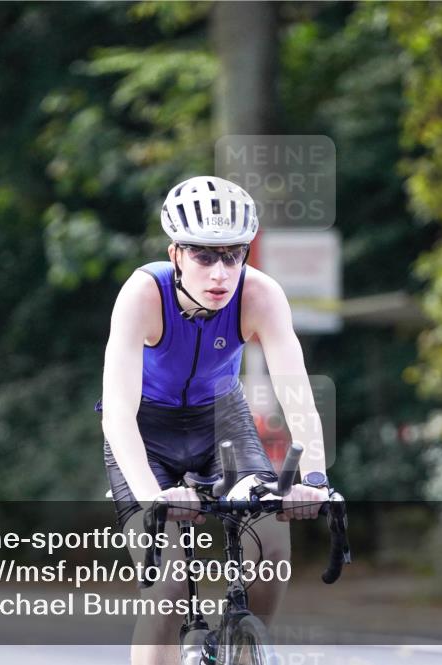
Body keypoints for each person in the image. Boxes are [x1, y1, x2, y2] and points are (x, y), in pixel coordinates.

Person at [99, 176, 331, 665]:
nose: (220, 274)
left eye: (233, 255)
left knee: (272, 552)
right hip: (147, 431)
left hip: (220, 422)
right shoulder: (143, 294)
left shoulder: (261, 295)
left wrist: (312, 477)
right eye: (204, 256)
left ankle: (241, 648)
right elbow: (118, 413)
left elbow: (298, 395)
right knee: (168, 586)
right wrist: (153, 495)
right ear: (176, 254)